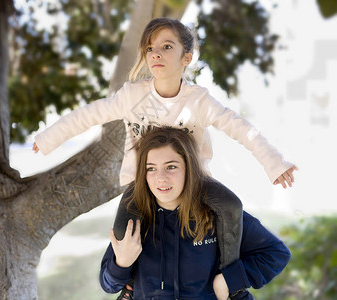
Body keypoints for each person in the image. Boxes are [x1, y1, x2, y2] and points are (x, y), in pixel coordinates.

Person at [33, 17, 297, 299]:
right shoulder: (133, 95)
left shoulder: (199, 101)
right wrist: (47, 139)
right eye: (149, 48)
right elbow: (89, 115)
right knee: (126, 234)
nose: (155, 53)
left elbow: (241, 129)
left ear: (187, 57)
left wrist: (274, 164)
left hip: (196, 182)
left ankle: (228, 283)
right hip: (139, 183)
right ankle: (130, 286)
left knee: (231, 204)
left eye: (166, 46)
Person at [99, 127, 291, 300]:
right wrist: (122, 263)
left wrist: (229, 280)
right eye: (151, 169)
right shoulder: (138, 219)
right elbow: (109, 284)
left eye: (171, 167)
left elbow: (276, 254)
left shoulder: (218, 213)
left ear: (188, 168)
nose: (161, 178)